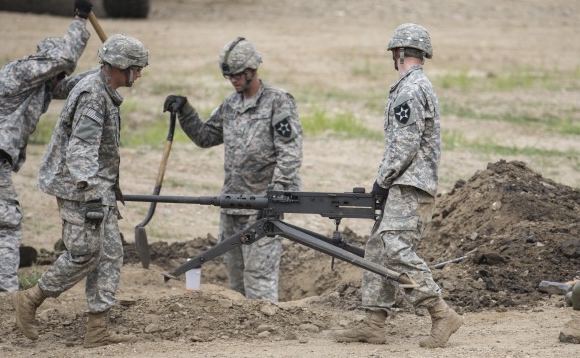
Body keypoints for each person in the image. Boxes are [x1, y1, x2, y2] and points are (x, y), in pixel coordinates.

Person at [0, 0, 94, 295]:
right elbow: (65, 58)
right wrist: (80, 20)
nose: (60, 78)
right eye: (57, 73)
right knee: (5, 224)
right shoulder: (19, 71)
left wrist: (116, 66)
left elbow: (76, 84)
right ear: (45, 64)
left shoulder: (40, 86)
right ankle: (6, 295)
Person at [12, 34, 148, 348]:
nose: (139, 75)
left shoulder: (104, 87)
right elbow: (81, 149)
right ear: (120, 67)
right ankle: (31, 299)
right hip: (79, 187)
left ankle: (98, 328)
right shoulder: (93, 94)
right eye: (136, 68)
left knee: (111, 253)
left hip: (96, 186)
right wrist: (91, 193)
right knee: (85, 253)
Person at [332, 23, 463, 347]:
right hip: (405, 183)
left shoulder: (410, 89)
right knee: (378, 247)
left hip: (410, 184)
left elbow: (405, 145)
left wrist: (382, 181)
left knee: (395, 244)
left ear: (399, 53)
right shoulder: (415, 85)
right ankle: (374, 322)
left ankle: (441, 312)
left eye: (394, 53)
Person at [163, 37, 303, 302]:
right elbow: (205, 137)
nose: (234, 81)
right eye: (229, 77)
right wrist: (185, 110)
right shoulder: (231, 105)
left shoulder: (278, 102)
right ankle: (243, 337)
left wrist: (276, 196)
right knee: (236, 281)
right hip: (231, 205)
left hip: (263, 207)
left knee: (259, 278)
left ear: (252, 70)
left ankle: (267, 333)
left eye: (238, 75)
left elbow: (290, 153)